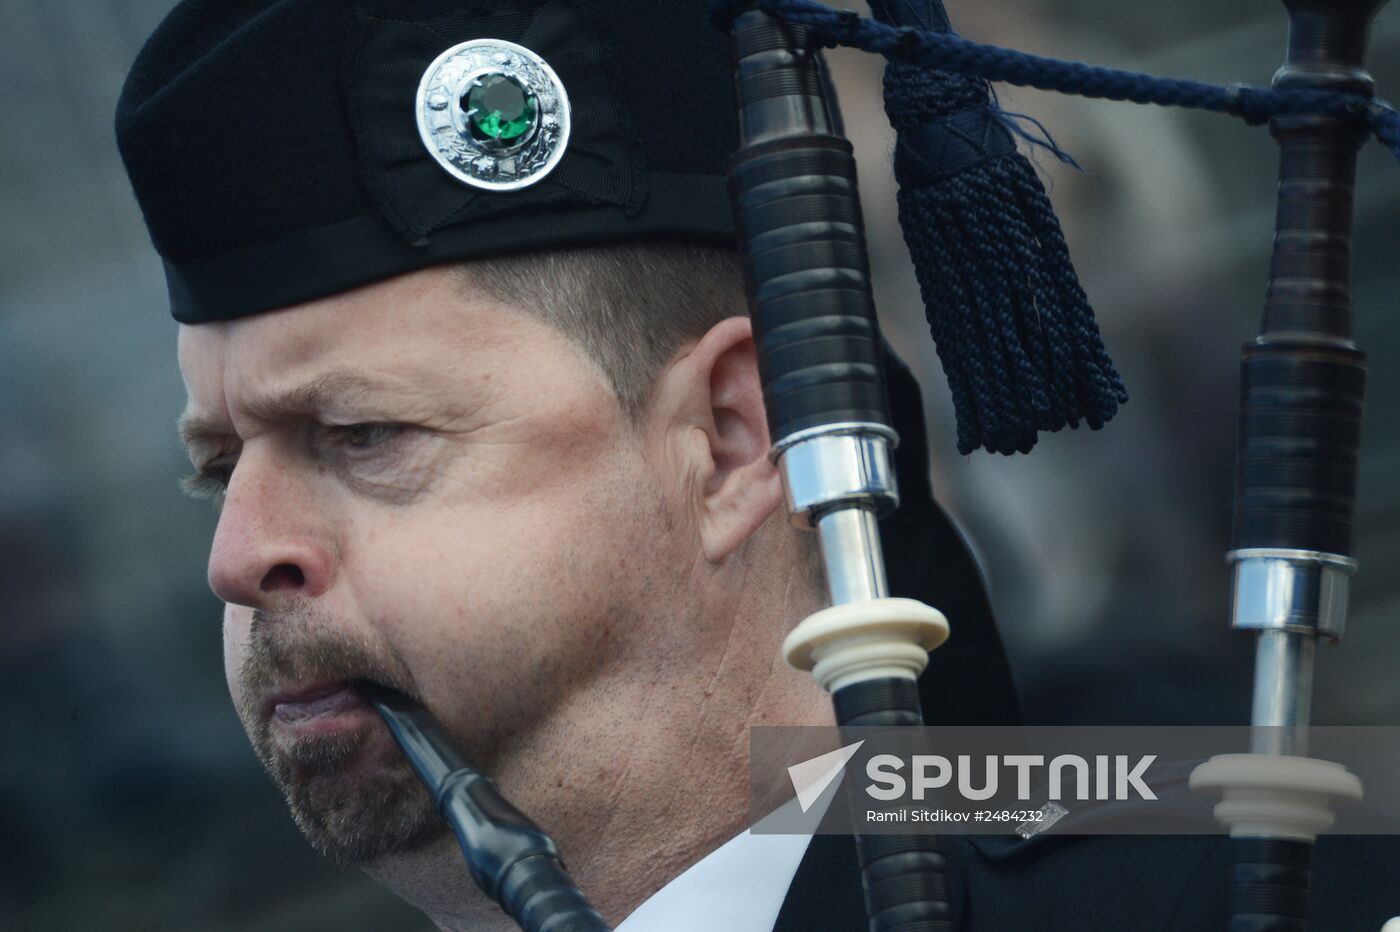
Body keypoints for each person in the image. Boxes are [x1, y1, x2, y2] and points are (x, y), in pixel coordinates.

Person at [116, 1, 1400, 930]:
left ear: (733, 435)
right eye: (217, 462)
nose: (239, 550)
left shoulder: (1253, 883)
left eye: (362, 435)